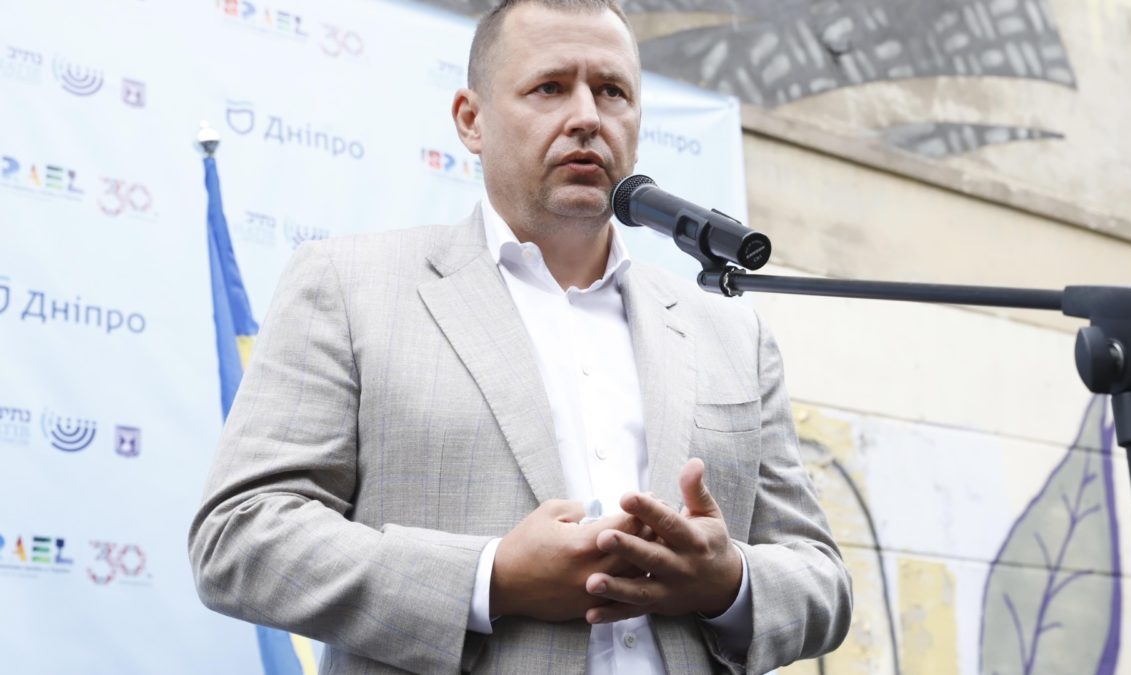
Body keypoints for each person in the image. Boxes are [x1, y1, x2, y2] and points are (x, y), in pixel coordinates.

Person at [188, 1, 852, 673]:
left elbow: (821, 579)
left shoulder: (732, 333)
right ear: (470, 120)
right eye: (550, 87)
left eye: (612, 91)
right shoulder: (349, 286)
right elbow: (240, 537)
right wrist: (491, 577)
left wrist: (727, 583)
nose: (587, 116)